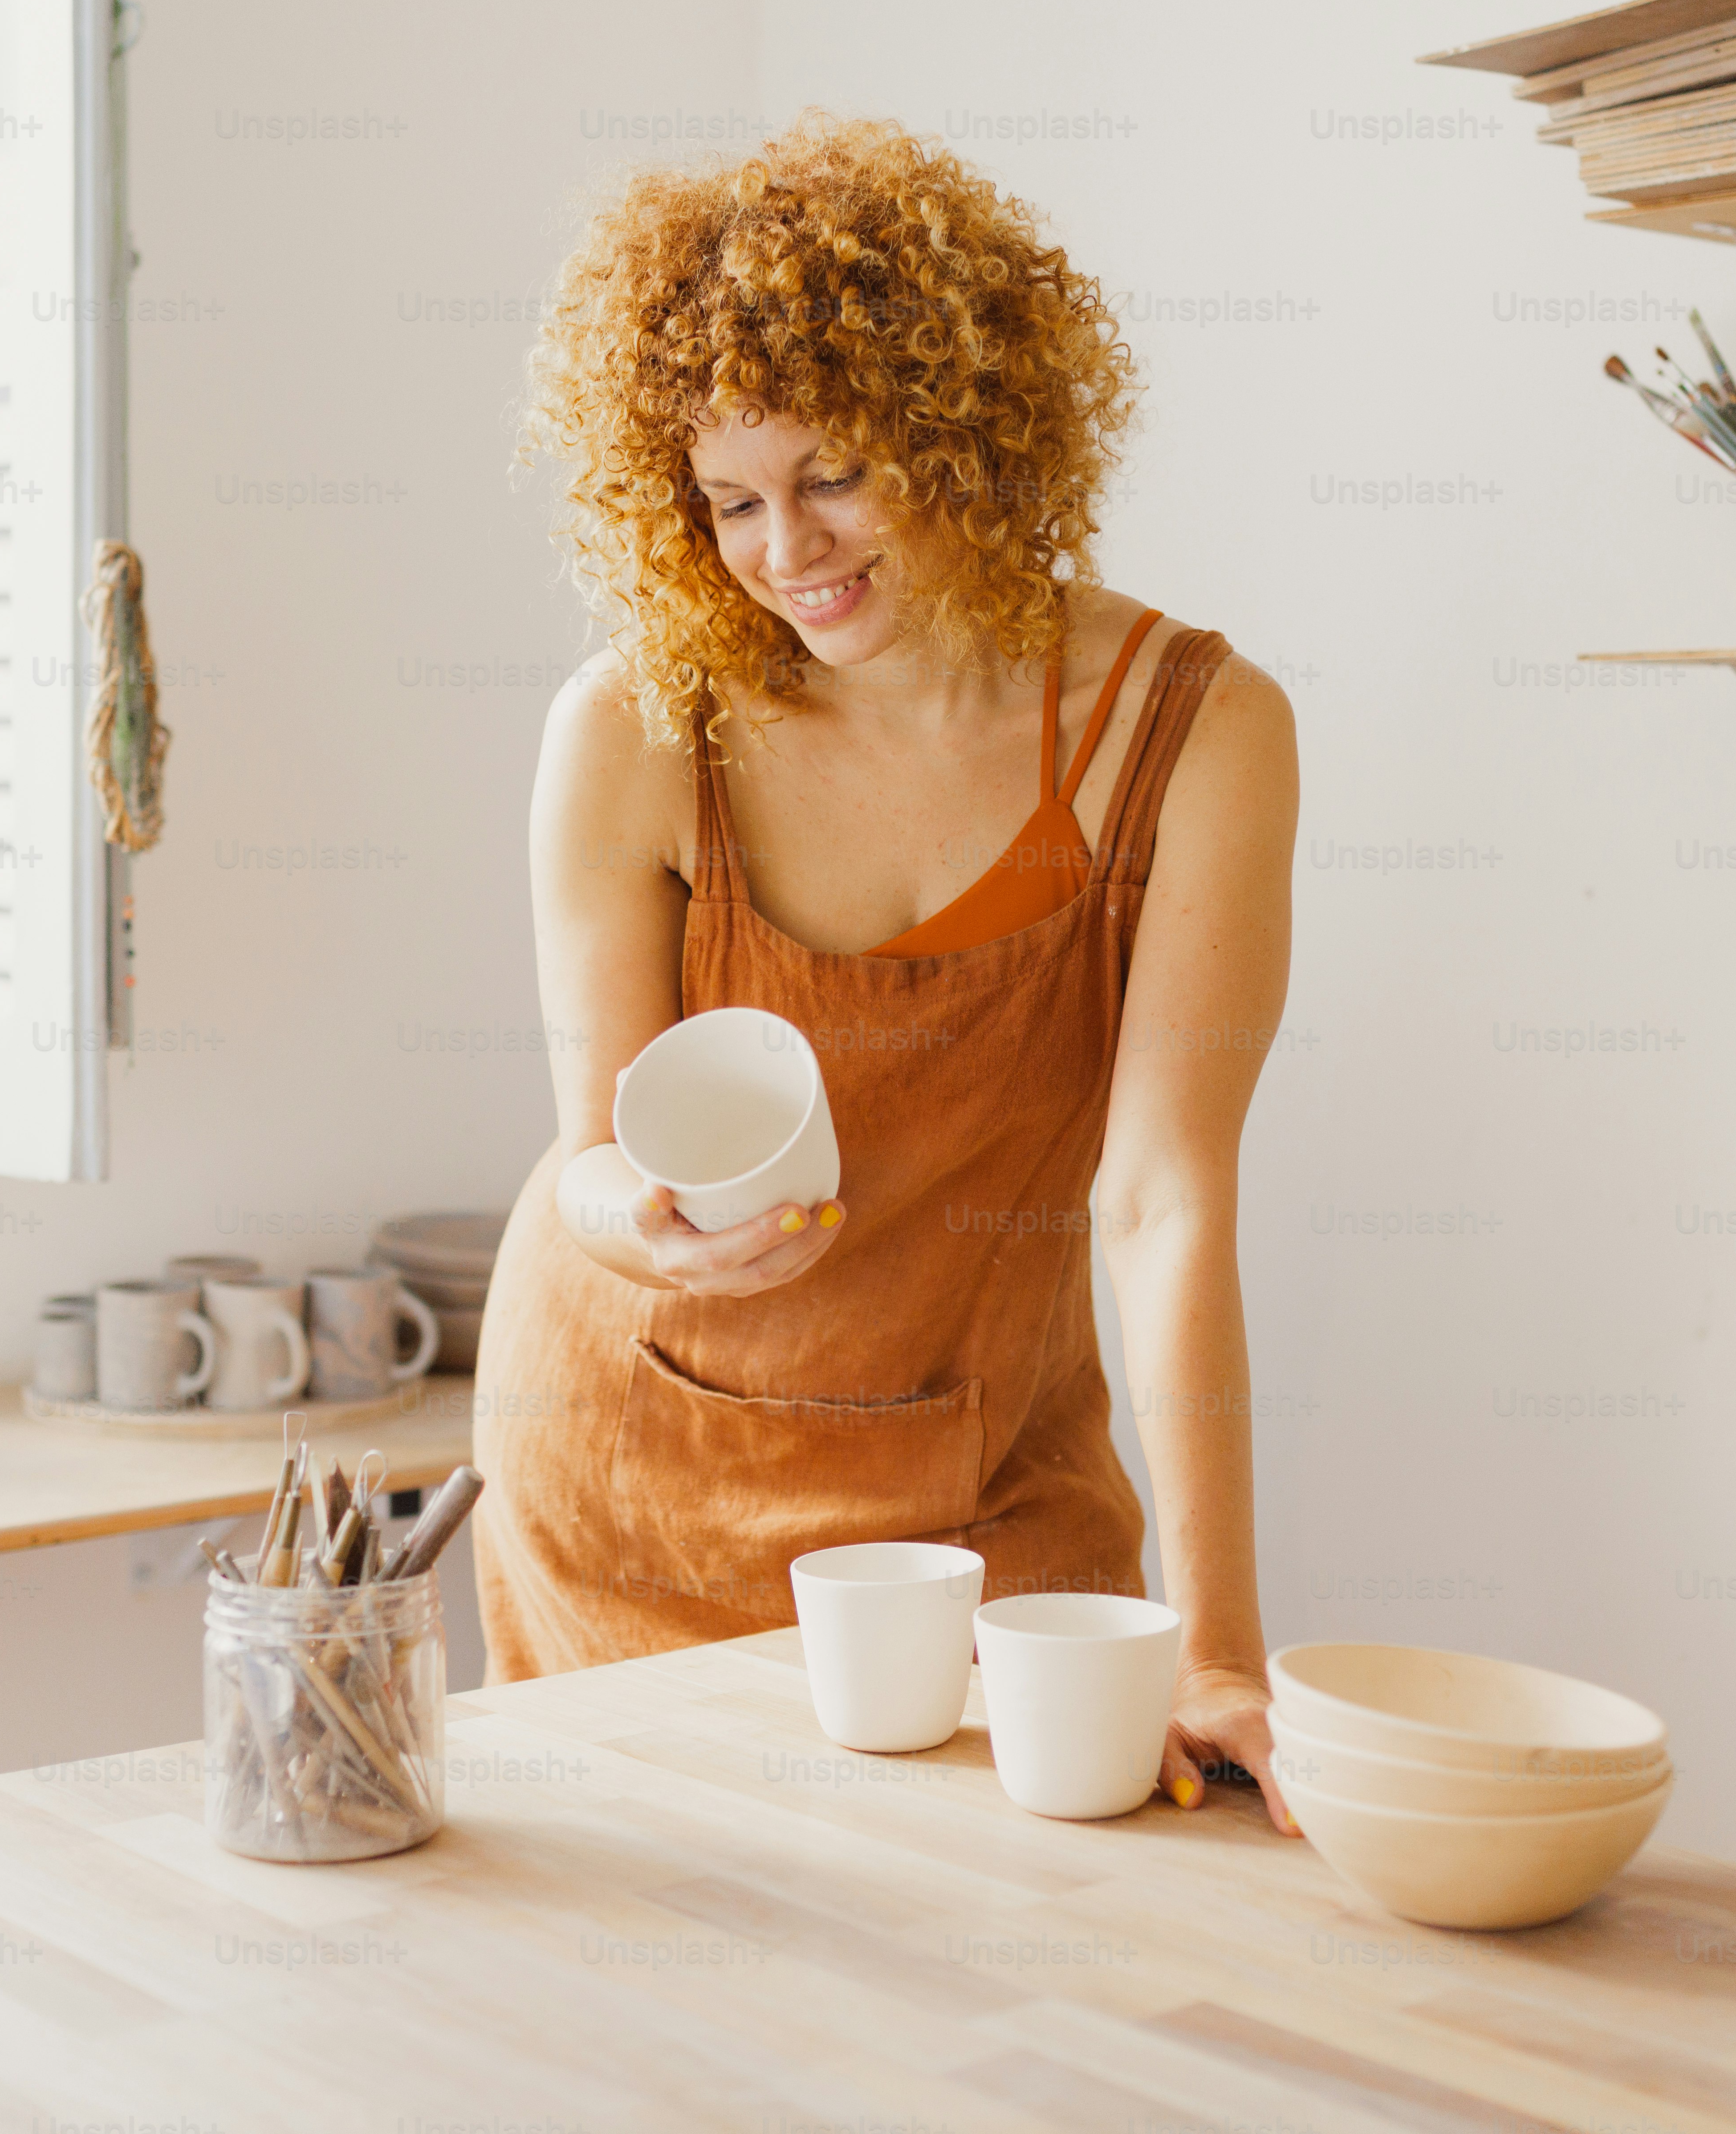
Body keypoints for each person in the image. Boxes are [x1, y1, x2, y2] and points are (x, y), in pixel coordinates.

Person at [472, 111, 1299, 1825]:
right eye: (729, 504)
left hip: (980, 1487)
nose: (788, 555)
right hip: (630, 1479)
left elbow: (1163, 1198)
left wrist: (1220, 1645)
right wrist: (648, 1224)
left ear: (971, 426)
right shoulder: (633, 729)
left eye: (836, 474)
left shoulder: (1194, 729)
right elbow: (590, 1158)